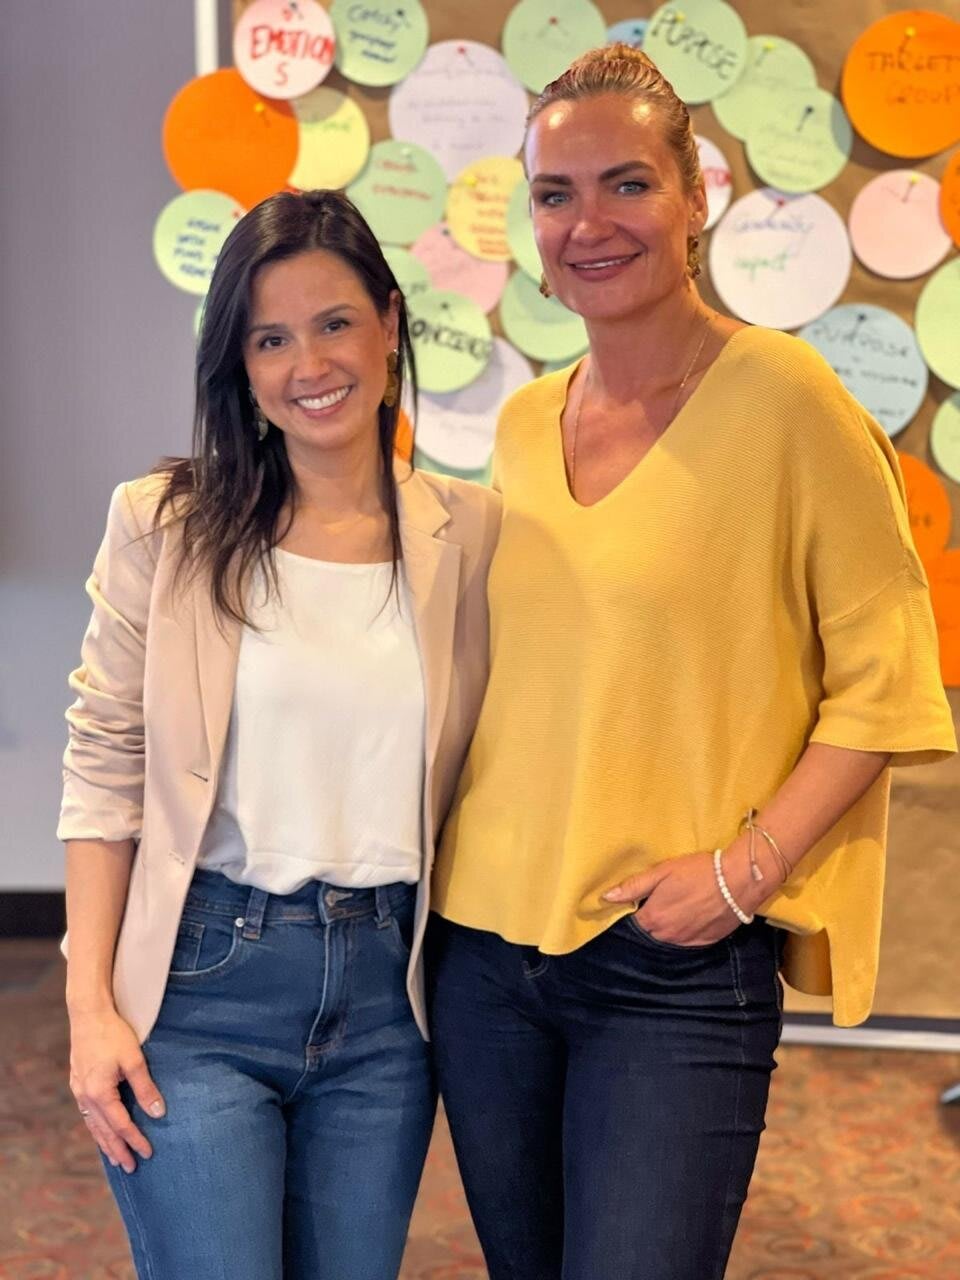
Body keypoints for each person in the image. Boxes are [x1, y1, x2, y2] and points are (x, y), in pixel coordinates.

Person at [426, 44, 956, 1280]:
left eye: (628, 183)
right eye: (555, 193)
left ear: (694, 197)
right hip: (484, 955)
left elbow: (887, 675)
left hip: (672, 961)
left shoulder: (785, 395)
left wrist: (742, 871)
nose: (589, 222)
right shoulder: (522, 423)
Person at [58, 189, 500, 1280]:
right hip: (200, 985)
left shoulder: (472, 533)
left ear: (389, 325)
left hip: (387, 1004)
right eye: (271, 338)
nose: (310, 363)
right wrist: (88, 1009)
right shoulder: (164, 522)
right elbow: (105, 765)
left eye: (335, 322)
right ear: (241, 365)